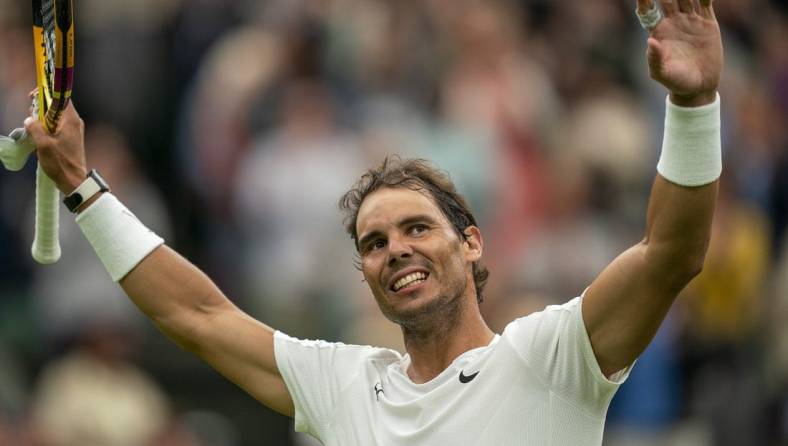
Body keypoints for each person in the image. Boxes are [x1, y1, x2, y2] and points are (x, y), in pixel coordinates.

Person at [22, 0, 723, 444]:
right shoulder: (347, 385)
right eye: (375, 243)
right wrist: (84, 188)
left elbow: (671, 252)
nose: (396, 250)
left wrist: (694, 105)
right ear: (363, 274)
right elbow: (196, 314)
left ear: (470, 241)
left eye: (417, 228)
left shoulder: (546, 358)